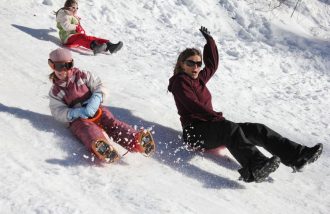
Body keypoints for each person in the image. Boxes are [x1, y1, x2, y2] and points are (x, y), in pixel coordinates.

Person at [167, 26, 323, 183]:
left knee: (257, 129)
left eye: (198, 64)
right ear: (182, 64)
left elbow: (212, 65)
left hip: (212, 127)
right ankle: (255, 165)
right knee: (228, 128)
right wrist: (217, 118)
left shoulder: (198, 79)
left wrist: (210, 42)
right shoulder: (179, 82)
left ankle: (298, 155)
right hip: (195, 133)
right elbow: (193, 105)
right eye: (190, 63)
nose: (195, 67)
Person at [48, 48, 155, 162]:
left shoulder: (83, 76)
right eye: (59, 67)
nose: (63, 71)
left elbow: (99, 85)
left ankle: (136, 140)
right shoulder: (56, 91)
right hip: (78, 119)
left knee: (111, 122)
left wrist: (97, 97)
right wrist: (73, 113)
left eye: (67, 65)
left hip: (96, 110)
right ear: (52, 66)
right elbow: (57, 110)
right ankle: (102, 147)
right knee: (86, 130)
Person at [55, 0, 123, 55]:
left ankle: (110, 46)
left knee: (91, 38)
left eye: (76, 8)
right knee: (82, 37)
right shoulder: (64, 15)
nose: (75, 10)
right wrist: (76, 27)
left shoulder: (71, 15)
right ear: (67, 7)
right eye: (73, 7)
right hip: (67, 38)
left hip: (74, 36)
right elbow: (66, 26)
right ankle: (95, 47)